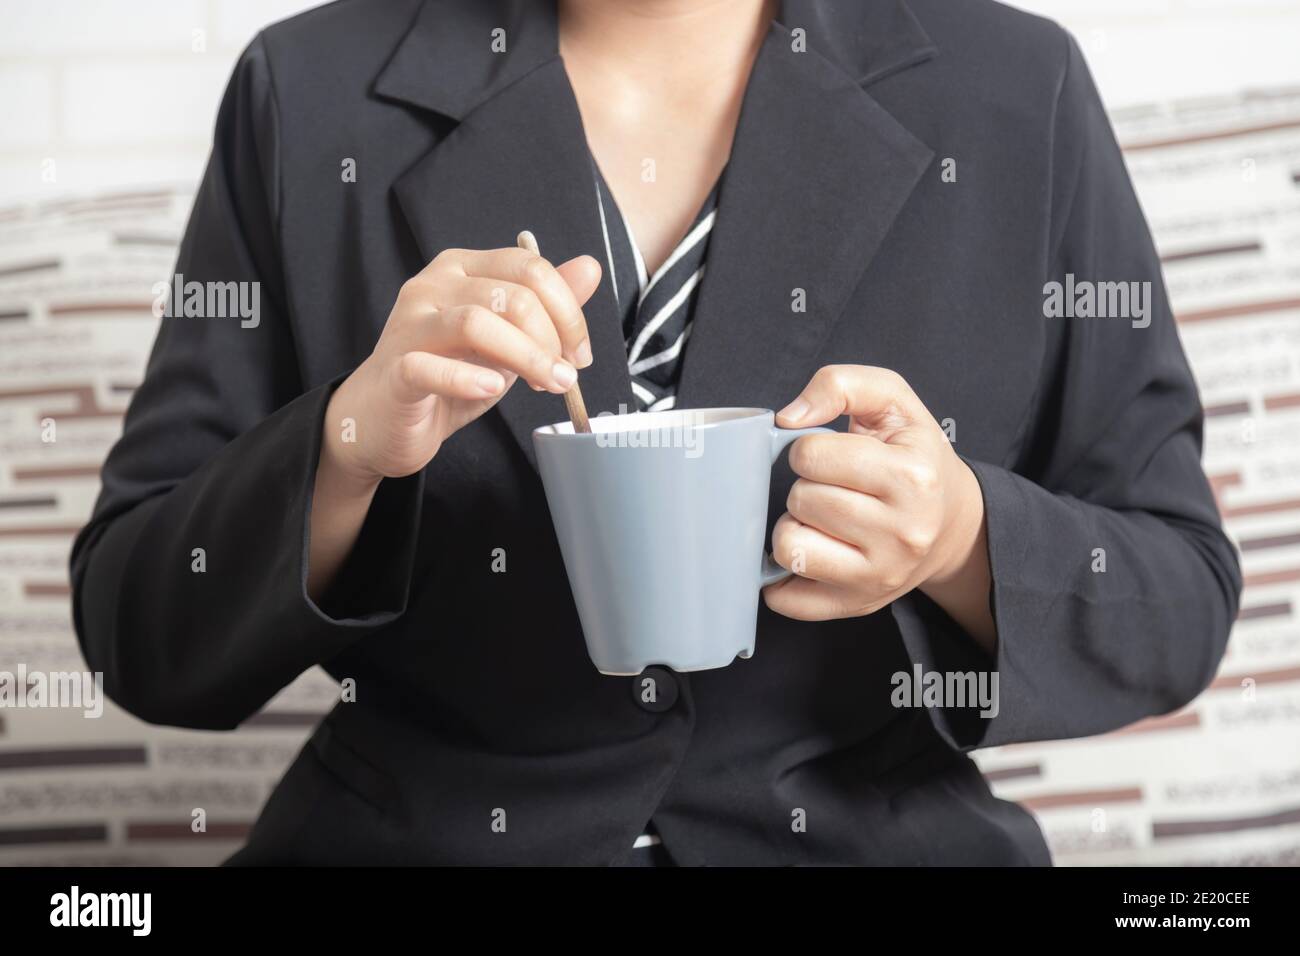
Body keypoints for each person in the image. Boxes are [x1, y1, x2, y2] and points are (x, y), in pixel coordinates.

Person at [71, 0, 1241, 866]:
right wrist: (345, 448)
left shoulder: (1010, 91)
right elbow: (138, 628)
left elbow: (1176, 590)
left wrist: (960, 541)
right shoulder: (306, 91)